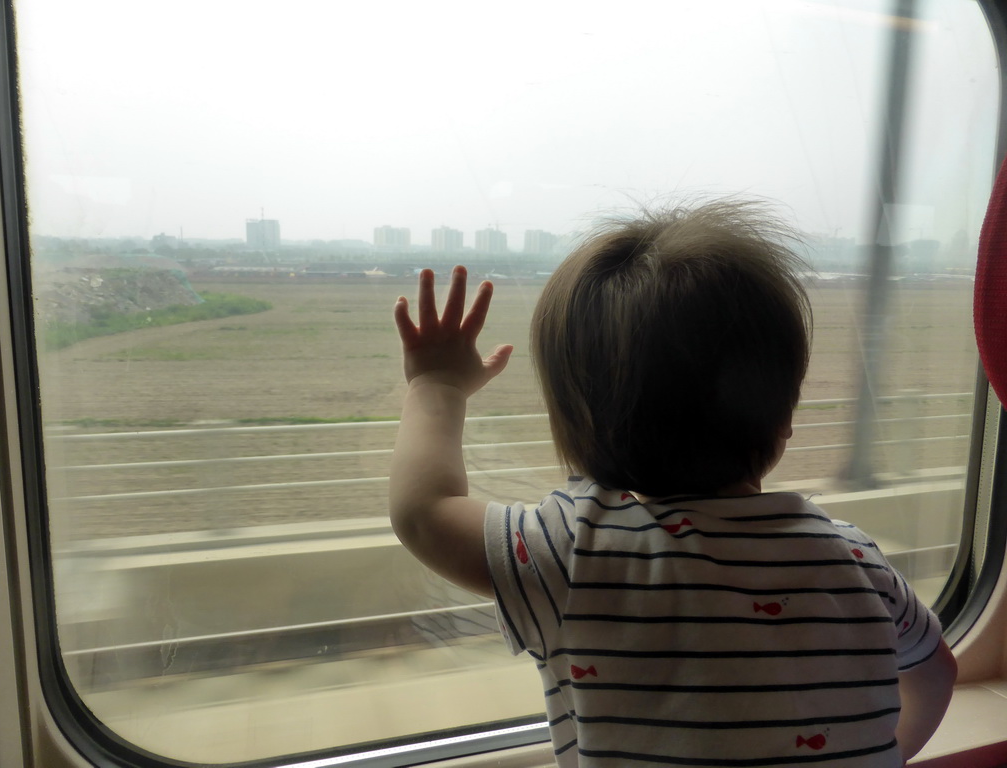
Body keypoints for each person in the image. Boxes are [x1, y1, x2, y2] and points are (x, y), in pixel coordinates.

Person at [389, 200, 956, 767]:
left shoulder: (574, 552)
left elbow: (424, 513)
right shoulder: (858, 559)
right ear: (783, 418)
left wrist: (437, 386)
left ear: (576, 431)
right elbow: (936, 674)